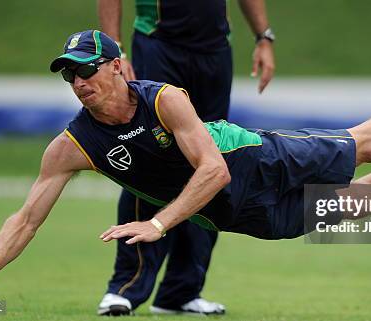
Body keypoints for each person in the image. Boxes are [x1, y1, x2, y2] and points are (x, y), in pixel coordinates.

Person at [0, 31, 371, 308]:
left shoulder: (164, 98)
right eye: (69, 75)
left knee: (363, 147)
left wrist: (159, 225)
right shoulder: (72, 145)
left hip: (251, 160)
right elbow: (28, 215)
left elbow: (211, 169)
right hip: (231, 213)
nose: (79, 83)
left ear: (116, 67)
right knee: (347, 207)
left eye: (88, 69)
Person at [96, 0, 275, 315]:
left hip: (215, 51)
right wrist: (117, 52)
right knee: (148, 159)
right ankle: (124, 288)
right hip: (159, 45)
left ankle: (181, 291)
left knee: (211, 160)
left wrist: (263, 36)